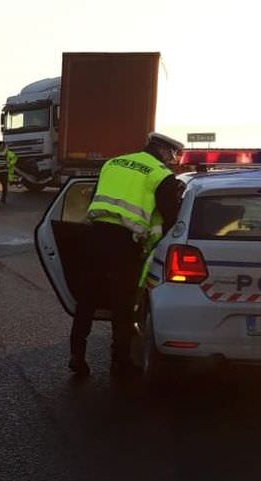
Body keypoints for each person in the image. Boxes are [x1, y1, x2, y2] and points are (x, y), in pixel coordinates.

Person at [68, 132, 185, 377]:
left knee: (87, 300)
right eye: (173, 155)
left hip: (94, 236)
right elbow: (171, 218)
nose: (172, 161)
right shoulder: (160, 175)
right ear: (164, 151)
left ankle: (76, 356)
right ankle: (120, 363)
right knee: (123, 305)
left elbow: (95, 199)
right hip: (125, 243)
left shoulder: (113, 163)